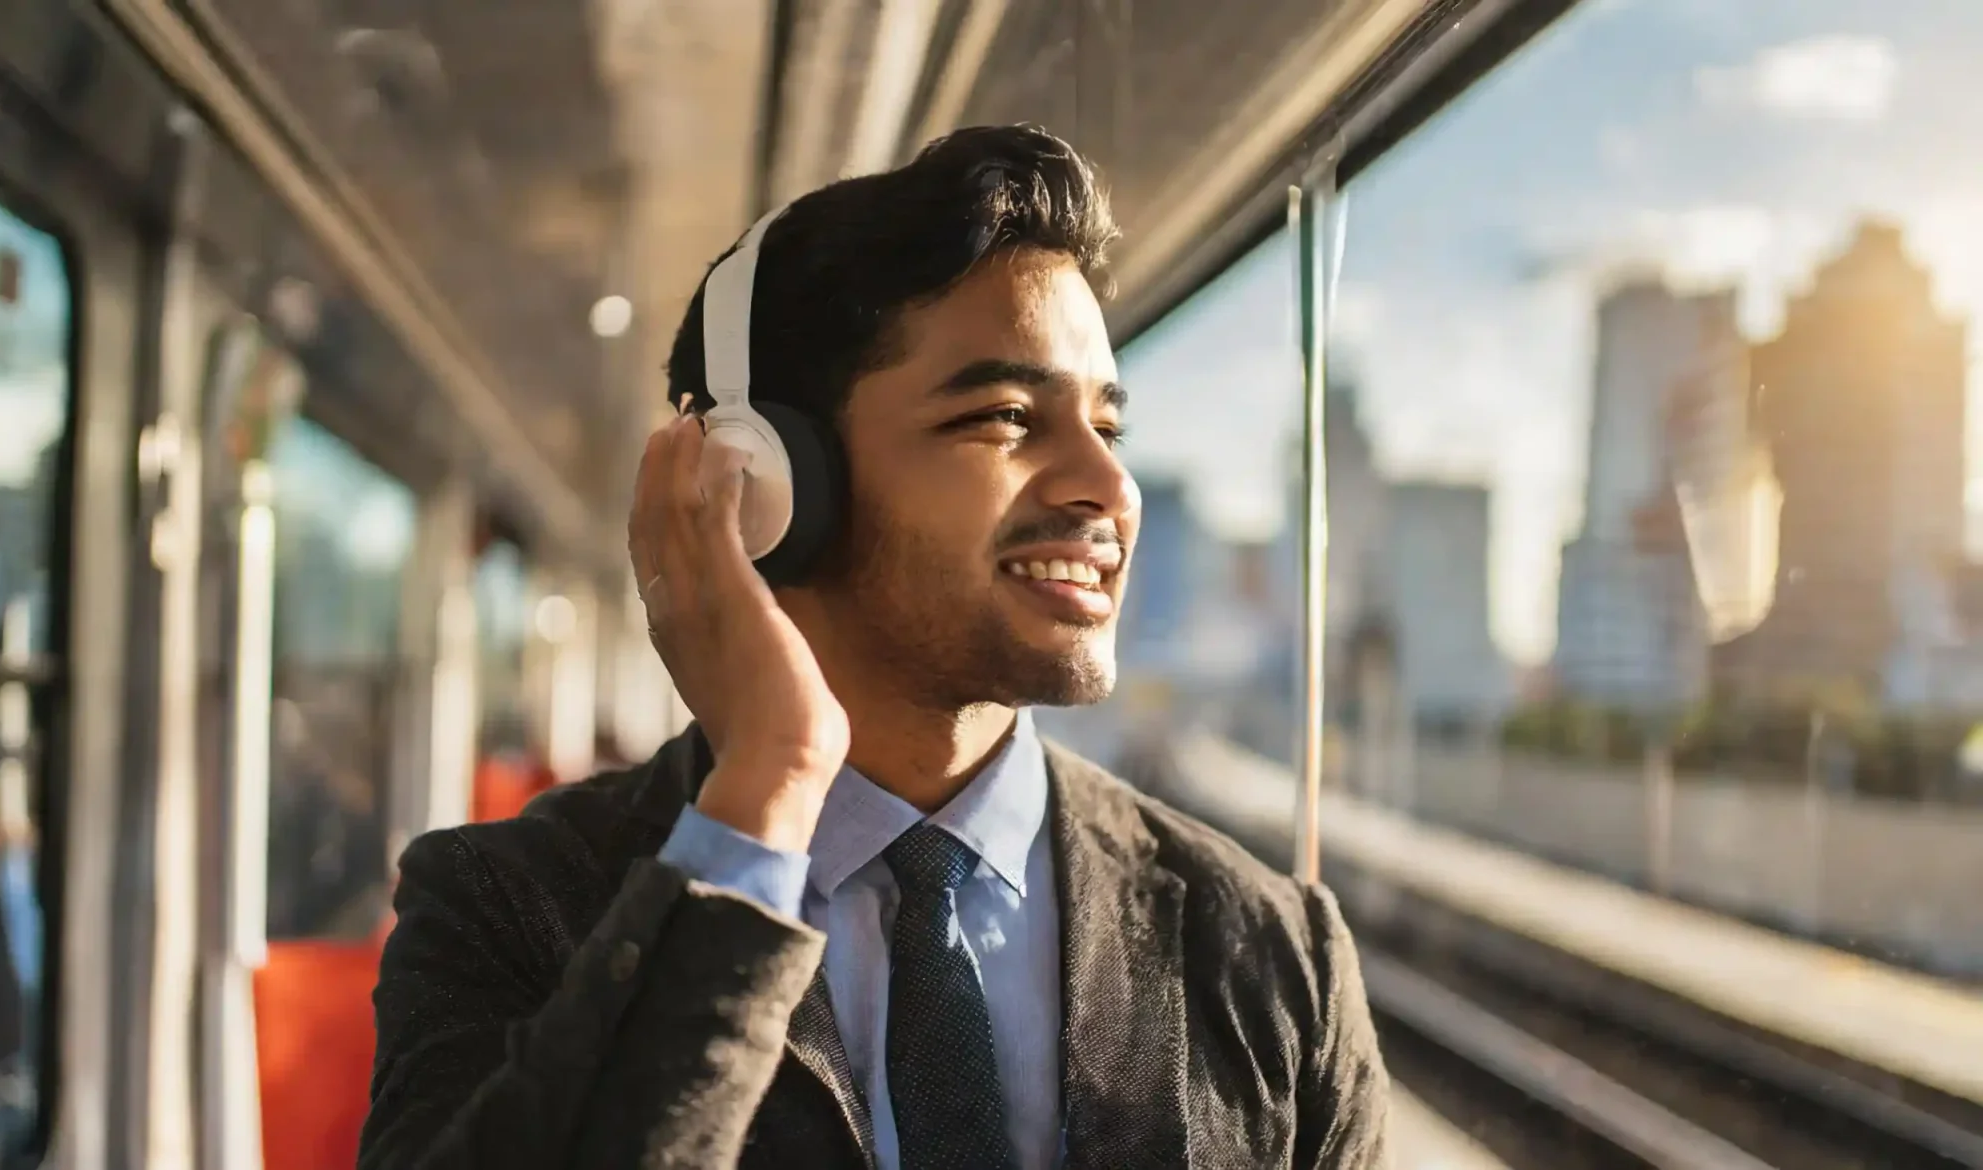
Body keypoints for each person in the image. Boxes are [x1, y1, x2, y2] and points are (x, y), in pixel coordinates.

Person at [361, 124, 1389, 1169]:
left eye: (1106, 429)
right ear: (763, 483)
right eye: (1004, 416)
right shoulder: (507, 905)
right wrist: (764, 792)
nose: (1106, 488)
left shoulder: (1272, 952)